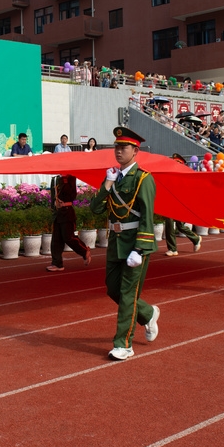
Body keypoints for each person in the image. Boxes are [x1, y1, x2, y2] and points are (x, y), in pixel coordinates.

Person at [90, 126, 159, 361]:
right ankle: (148, 313)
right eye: (116, 147)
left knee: (128, 295)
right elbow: (95, 209)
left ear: (135, 151)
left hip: (134, 245)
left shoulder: (143, 179)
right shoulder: (112, 177)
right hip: (115, 243)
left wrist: (140, 248)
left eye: (123, 147)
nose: (118, 151)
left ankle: (124, 344)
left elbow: (148, 217)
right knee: (112, 288)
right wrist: (107, 185)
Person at [46, 174, 92, 272]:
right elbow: (53, 196)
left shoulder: (70, 177)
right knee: (56, 240)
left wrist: (64, 180)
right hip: (57, 213)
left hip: (67, 212)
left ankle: (84, 251)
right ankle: (57, 263)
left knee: (68, 237)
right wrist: (54, 207)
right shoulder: (55, 179)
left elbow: (71, 194)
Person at [163, 154, 202, 257]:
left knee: (179, 226)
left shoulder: (184, 176)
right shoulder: (170, 175)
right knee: (170, 224)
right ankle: (173, 248)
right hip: (170, 204)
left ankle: (194, 239)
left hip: (179, 204)